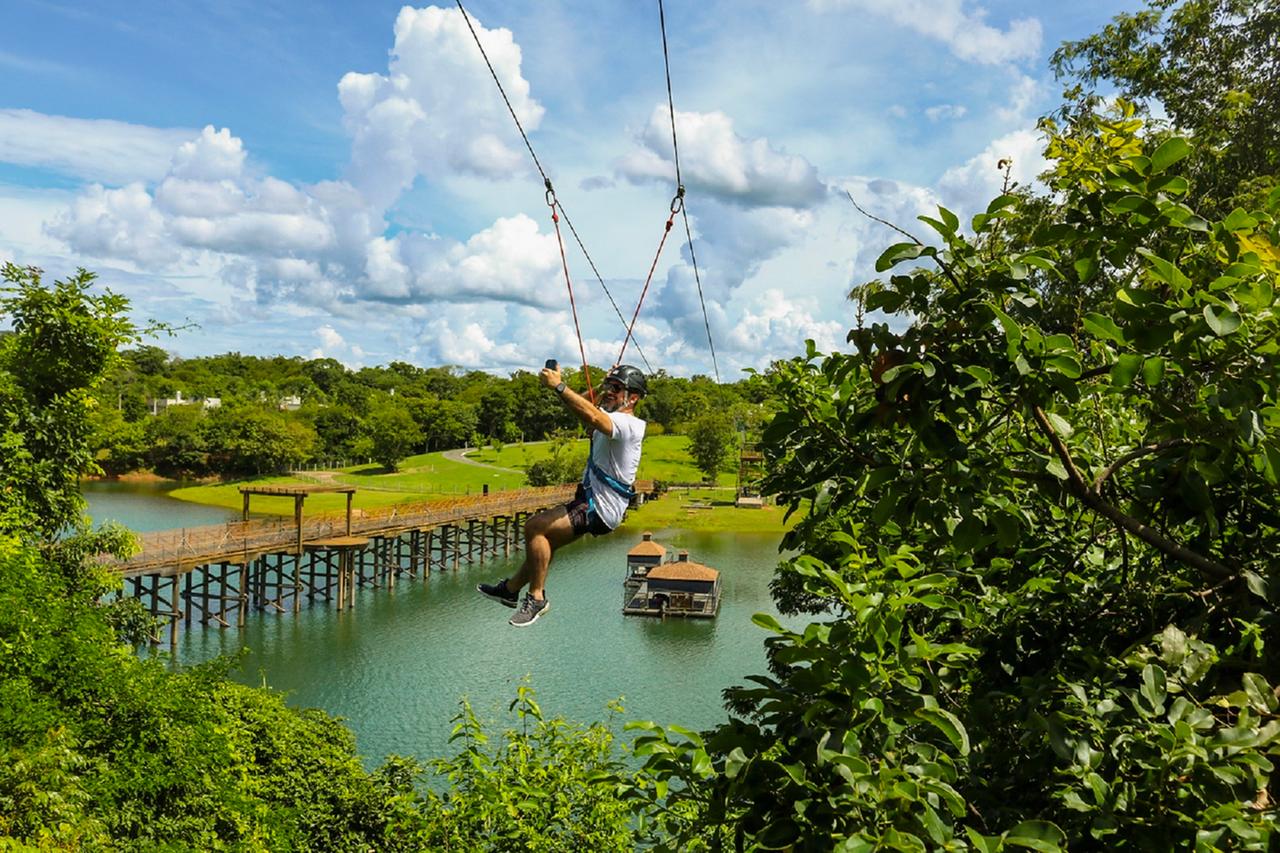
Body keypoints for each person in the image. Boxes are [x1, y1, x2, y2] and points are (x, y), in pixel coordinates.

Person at [477, 362, 647, 627]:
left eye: (617, 388)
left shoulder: (629, 426)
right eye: (609, 387)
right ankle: (510, 590)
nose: (609, 391)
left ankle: (537, 598)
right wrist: (598, 386)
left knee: (535, 528)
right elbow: (585, 410)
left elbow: (592, 417)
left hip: (600, 508)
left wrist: (559, 384)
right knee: (545, 543)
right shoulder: (611, 419)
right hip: (590, 500)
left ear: (633, 397)